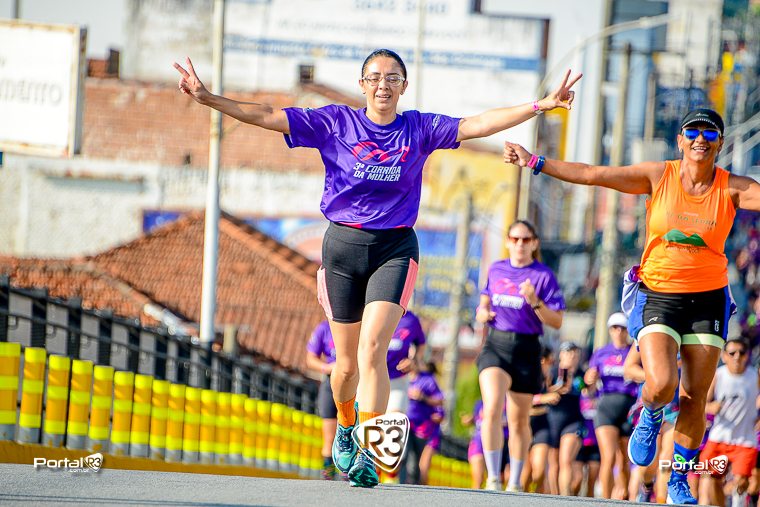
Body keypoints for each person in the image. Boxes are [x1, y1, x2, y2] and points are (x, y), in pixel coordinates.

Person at [175, 48, 580, 489]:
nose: (383, 85)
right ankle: (346, 425)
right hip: (342, 249)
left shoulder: (418, 129)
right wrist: (208, 98)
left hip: (395, 248)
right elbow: (270, 116)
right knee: (346, 366)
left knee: (373, 350)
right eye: (374, 77)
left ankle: (368, 453)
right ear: (363, 84)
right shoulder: (336, 123)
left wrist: (540, 105)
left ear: (404, 86)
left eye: (392, 78)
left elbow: (477, 123)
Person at [504, 107, 760, 504]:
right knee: (661, 383)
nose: (700, 139)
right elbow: (594, 174)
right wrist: (536, 162)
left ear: (720, 143)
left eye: (710, 134)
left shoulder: (731, 188)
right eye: (693, 132)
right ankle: (651, 412)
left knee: (694, 396)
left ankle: (678, 478)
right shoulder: (659, 176)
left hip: (708, 299)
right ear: (680, 140)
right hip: (659, 292)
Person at [476, 219, 565, 492]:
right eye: (515, 239)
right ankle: (493, 477)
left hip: (526, 349)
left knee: (518, 421)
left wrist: (535, 301)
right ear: (507, 242)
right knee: (492, 408)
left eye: (525, 240)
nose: (520, 244)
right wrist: (482, 313)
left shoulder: (543, 275)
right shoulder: (496, 269)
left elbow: (557, 321)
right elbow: (484, 302)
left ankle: (514, 480)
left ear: (534, 243)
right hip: (496, 345)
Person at [699, 338, 759, 507]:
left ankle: (739, 500)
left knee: (741, 481)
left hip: (745, 439)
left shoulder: (754, 376)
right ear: (724, 356)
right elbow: (702, 403)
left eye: (741, 352)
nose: (737, 357)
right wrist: (711, 407)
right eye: (732, 353)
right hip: (720, 436)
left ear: (747, 356)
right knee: (712, 477)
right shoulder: (718, 375)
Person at [584, 312, 638, 499]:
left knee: (624, 458)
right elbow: (589, 387)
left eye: (622, 328)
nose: (619, 332)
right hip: (607, 406)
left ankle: (625, 497)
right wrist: (589, 380)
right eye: (615, 328)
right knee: (608, 457)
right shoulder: (601, 352)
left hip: (629, 407)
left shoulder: (634, 352)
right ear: (610, 330)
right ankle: (605, 500)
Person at [623, 343, 679, 503]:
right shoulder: (650, 334)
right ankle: (647, 486)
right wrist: (657, 378)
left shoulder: (687, 336)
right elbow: (629, 369)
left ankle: (661, 500)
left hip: (674, 408)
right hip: (650, 407)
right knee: (649, 464)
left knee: (667, 457)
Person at [546, 341, 586, 496]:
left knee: (566, 460)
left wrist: (586, 382)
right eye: (569, 352)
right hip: (553, 420)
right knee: (554, 464)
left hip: (573, 420)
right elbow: (543, 390)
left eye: (575, 353)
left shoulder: (581, 373)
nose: (573, 356)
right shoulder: (553, 371)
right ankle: (554, 498)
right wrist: (554, 391)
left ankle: (565, 497)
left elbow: (588, 391)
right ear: (561, 355)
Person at [521, 344, 560, 493]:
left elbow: (552, 392)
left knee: (539, 472)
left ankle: (538, 499)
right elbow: (523, 399)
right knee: (525, 474)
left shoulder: (548, 378)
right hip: (525, 423)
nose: (553, 365)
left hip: (542, 423)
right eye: (551, 361)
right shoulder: (526, 374)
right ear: (542, 360)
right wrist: (544, 398)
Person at [305, 320, 339, 480]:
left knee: (351, 433)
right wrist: (328, 367)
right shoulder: (324, 328)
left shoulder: (361, 324)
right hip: (330, 383)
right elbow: (310, 359)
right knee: (329, 437)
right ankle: (328, 477)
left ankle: (349, 475)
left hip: (355, 384)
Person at [406, 361, 444, 485]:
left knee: (421, 465)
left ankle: (420, 489)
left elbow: (440, 402)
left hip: (425, 430)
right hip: (406, 426)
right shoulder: (398, 377)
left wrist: (422, 397)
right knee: (405, 458)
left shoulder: (427, 380)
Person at [463, 398, 510, 489]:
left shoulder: (510, 401)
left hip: (502, 442)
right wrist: (470, 419)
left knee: (504, 478)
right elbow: (476, 417)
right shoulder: (480, 402)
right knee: (478, 479)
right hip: (479, 441)